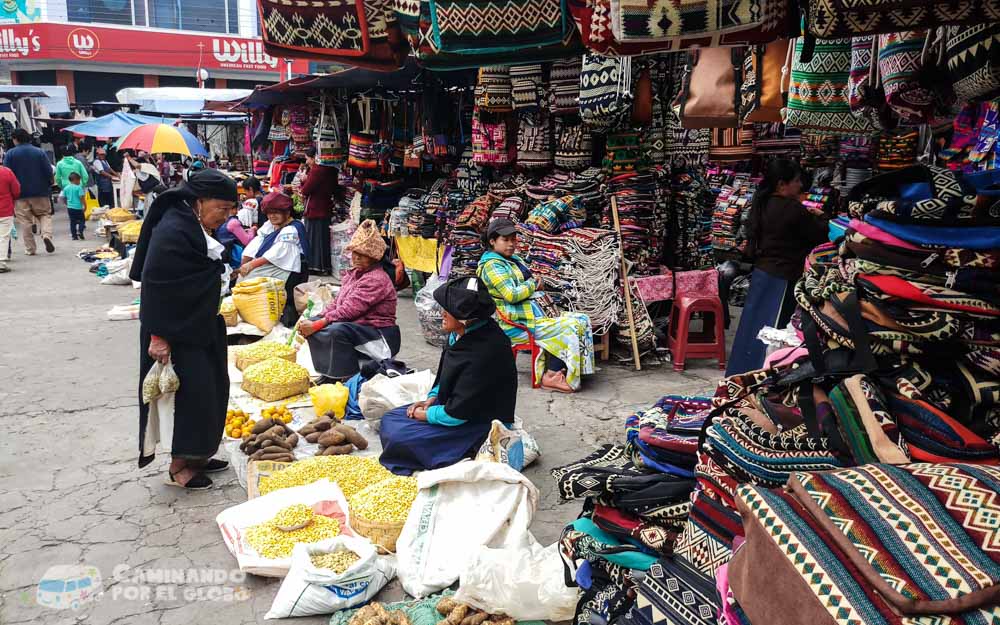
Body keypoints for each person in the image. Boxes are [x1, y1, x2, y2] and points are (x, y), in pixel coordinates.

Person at [128, 168, 238, 490]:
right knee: (190, 397)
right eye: (223, 208)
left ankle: (199, 454)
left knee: (212, 390)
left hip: (197, 324)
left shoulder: (192, 222)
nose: (228, 216)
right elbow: (157, 285)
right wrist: (159, 337)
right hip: (174, 331)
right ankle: (180, 467)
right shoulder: (174, 229)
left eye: (231, 209)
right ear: (200, 201)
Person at [379, 277, 517, 475]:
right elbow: (445, 376)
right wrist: (431, 399)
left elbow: (456, 415)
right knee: (390, 418)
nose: (442, 313)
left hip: (476, 422)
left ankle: (466, 451)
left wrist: (424, 415)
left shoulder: (484, 352)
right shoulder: (459, 335)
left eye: (447, 310)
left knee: (401, 436)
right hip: (456, 406)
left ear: (464, 318)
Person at [726, 158, 829, 376]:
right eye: (797, 181)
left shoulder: (762, 204)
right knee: (775, 329)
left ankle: (741, 372)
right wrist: (822, 218)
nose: (800, 186)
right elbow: (818, 236)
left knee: (753, 325)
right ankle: (763, 374)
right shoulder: (792, 209)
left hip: (764, 273)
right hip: (782, 277)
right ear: (782, 184)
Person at [477, 218, 595, 393]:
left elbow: (525, 282)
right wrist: (533, 285)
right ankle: (551, 376)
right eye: (505, 240)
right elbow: (511, 295)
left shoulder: (512, 259)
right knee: (570, 326)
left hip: (532, 315)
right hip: (516, 323)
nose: (511, 244)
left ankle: (572, 368)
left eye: (513, 239)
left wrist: (533, 284)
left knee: (582, 318)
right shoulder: (492, 265)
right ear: (492, 241)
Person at [297, 219, 399, 381]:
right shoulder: (354, 274)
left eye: (363, 255)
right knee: (314, 322)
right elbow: (337, 304)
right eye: (355, 253)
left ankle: (345, 376)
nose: (356, 258)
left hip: (379, 335)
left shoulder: (376, 279)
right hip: (359, 328)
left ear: (373, 258)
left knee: (335, 330)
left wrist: (319, 324)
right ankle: (329, 373)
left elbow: (350, 310)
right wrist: (316, 319)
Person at [239, 189, 309, 325]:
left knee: (284, 302)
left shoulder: (292, 229)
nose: (272, 216)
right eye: (269, 213)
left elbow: (277, 253)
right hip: (277, 265)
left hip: (293, 271)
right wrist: (244, 263)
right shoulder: (272, 225)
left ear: (287, 213)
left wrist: (251, 265)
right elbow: (258, 241)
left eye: (276, 213)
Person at [4, 129, 54, 255]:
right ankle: (46, 235)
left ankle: (30, 249)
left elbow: (7, 174)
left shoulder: (10, 154)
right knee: (44, 215)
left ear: (15, 139)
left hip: (19, 194)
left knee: (25, 222)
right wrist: (49, 184)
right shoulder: (39, 152)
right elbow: (49, 171)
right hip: (40, 191)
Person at [299, 147, 339, 275]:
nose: (307, 162)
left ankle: (316, 266)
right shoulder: (331, 169)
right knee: (322, 238)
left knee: (314, 238)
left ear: (313, 157)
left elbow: (306, 190)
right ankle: (323, 266)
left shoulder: (317, 170)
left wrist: (303, 179)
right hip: (324, 207)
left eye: (307, 158)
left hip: (315, 208)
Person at [214, 201, 256, 271]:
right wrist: (252, 230)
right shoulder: (233, 222)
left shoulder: (218, 220)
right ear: (235, 209)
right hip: (232, 256)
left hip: (221, 254)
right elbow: (247, 241)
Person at [0, 159, 20, 273]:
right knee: (3, 237)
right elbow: (16, 190)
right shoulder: (7, 172)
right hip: (4, 209)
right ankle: (1, 263)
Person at [60, 171, 86, 240]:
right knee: (82, 220)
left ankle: (74, 236)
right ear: (75, 180)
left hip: (70, 208)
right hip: (78, 208)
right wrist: (84, 205)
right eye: (79, 180)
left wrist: (66, 203)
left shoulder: (66, 188)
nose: (79, 182)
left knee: (72, 222)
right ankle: (80, 231)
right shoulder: (78, 188)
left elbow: (63, 198)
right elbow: (81, 197)